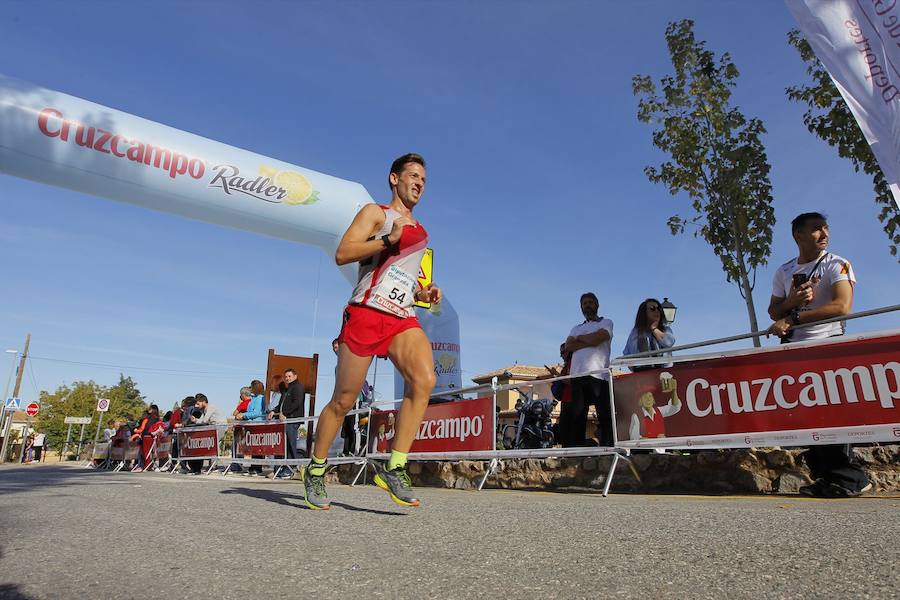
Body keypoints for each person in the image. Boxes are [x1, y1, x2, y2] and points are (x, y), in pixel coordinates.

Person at [302, 153, 440, 510]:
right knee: (344, 400)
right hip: (366, 313)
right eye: (412, 176)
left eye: (423, 179)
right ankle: (315, 471)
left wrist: (424, 293)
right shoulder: (375, 214)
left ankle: (395, 467)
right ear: (394, 179)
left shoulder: (421, 232)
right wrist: (386, 240)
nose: (419, 183)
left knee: (424, 379)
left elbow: (407, 277)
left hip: (401, 315)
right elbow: (343, 253)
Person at [767, 211, 870, 498]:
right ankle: (826, 476)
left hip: (827, 344)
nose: (824, 233)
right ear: (797, 235)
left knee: (831, 411)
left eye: (825, 227)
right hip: (793, 347)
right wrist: (792, 303)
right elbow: (774, 311)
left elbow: (842, 307)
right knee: (807, 416)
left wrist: (795, 319)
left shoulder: (837, 263)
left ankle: (851, 476)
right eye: (815, 229)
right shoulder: (784, 271)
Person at [561, 292, 614, 447]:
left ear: (597, 304)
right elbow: (568, 346)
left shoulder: (606, 322)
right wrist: (591, 339)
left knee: (604, 412)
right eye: (584, 303)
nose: (587, 305)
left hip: (598, 373)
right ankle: (577, 448)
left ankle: (609, 445)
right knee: (578, 414)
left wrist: (579, 339)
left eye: (590, 302)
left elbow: (601, 337)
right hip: (577, 374)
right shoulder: (576, 327)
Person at [268, 368, 306, 479]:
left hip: (293, 419)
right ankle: (285, 468)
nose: (287, 378)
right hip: (284, 419)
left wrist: (285, 413)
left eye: (289, 376)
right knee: (284, 445)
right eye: (286, 377)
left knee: (290, 444)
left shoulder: (298, 387)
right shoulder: (287, 389)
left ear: (295, 376)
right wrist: (274, 411)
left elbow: (297, 403)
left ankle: (292, 468)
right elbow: (281, 404)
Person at [622, 298, 675, 371]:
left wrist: (654, 328)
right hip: (643, 374)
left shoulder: (666, 329)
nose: (657, 311)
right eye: (652, 308)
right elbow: (628, 354)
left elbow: (669, 342)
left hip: (664, 373)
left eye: (659, 308)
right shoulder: (636, 332)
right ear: (644, 313)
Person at [186, 394, 220, 474]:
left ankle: (213, 466)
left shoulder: (210, 408)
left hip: (219, 428)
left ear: (204, 402)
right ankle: (208, 466)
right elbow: (201, 420)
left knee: (211, 445)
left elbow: (204, 420)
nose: (196, 406)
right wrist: (195, 420)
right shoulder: (203, 410)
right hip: (212, 429)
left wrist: (196, 420)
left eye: (198, 403)